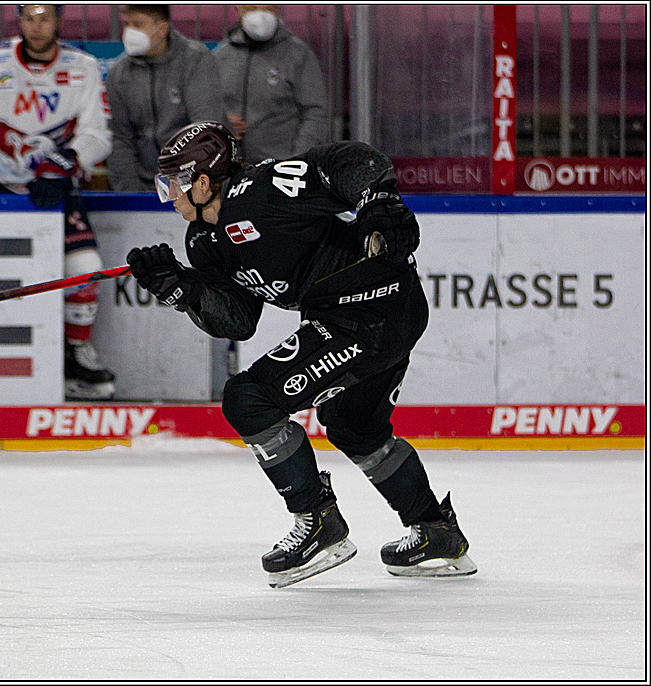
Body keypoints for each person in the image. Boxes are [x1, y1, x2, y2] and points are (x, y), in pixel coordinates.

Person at [126, 122, 476, 587]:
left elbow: (347, 160)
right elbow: (238, 321)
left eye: (172, 182)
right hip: (381, 313)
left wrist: (380, 200)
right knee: (356, 427)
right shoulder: (204, 241)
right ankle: (437, 533)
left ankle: (319, 522)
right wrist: (181, 288)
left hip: (369, 313)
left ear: (203, 182)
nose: (168, 195)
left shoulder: (263, 190)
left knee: (248, 399)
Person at [0, 4, 116, 400]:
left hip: (53, 187)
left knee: (85, 266)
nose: (36, 26)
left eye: (45, 17)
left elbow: (97, 134)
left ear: (59, 21)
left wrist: (64, 163)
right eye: (29, 17)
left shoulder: (82, 66)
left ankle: (75, 351)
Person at [105, 5, 226, 191]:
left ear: (162, 29)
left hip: (192, 186)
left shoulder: (196, 61)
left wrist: (190, 190)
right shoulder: (119, 74)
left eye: (138, 24)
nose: (129, 32)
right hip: (141, 185)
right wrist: (130, 192)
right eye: (127, 24)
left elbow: (206, 131)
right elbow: (121, 138)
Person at [214, 5, 328, 163]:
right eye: (251, 8)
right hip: (231, 169)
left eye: (268, 8)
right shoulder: (222, 55)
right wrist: (222, 123)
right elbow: (206, 107)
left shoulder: (299, 55)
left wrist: (298, 159)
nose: (260, 15)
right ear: (237, 8)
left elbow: (315, 111)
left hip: (281, 169)